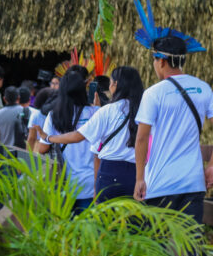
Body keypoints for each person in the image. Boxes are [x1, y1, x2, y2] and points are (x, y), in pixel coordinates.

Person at [132, 0, 213, 256]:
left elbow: (142, 138)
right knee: (193, 239)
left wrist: (140, 177)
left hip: (160, 181)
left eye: (154, 60)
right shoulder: (202, 88)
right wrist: (212, 165)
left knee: (157, 240)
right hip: (192, 180)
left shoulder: (153, 93)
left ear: (161, 61)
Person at [35, 66, 143, 202]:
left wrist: (48, 138)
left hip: (74, 182)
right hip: (131, 174)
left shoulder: (54, 116)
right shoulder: (143, 110)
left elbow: (76, 137)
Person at [36, 72, 98, 213]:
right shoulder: (96, 112)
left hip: (65, 184)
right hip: (91, 185)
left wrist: (50, 138)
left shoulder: (54, 116)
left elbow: (42, 149)